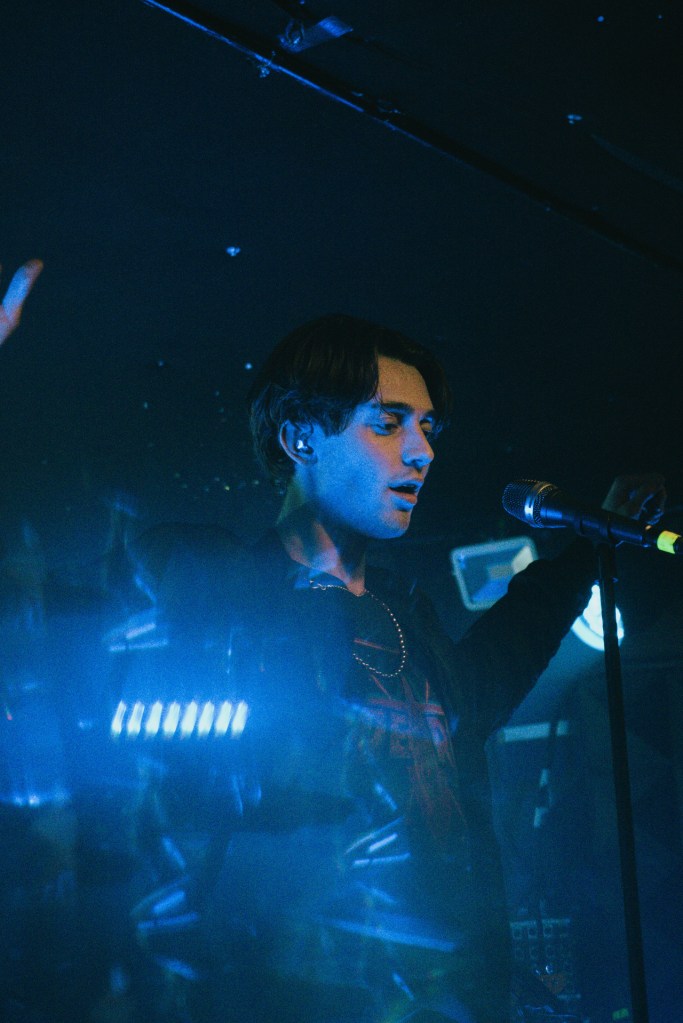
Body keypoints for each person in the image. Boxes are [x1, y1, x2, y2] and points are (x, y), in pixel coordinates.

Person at [189, 314, 664, 1023]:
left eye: (428, 429)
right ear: (300, 438)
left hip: (454, 990)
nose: (422, 451)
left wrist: (593, 545)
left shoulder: (401, 613)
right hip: (319, 990)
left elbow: (487, 678)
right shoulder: (231, 609)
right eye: (389, 424)